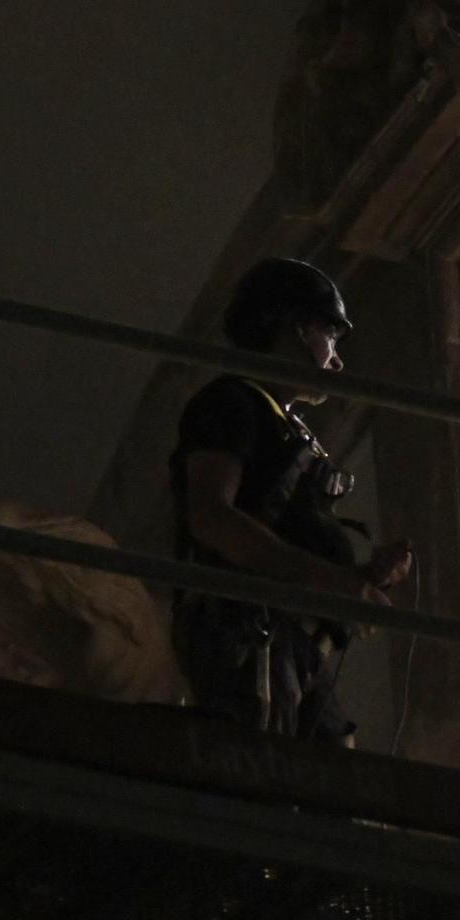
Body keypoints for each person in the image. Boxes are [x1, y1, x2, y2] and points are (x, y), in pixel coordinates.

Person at [169, 258, 412, 741]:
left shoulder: (279, 422)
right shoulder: (231, 404)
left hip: (289, 642)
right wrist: (333, 582)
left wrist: (360, 578)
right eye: (331, 336)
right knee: (263, 764)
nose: (336, 360)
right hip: (249, 633)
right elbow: (212, 518)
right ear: (299, 329)